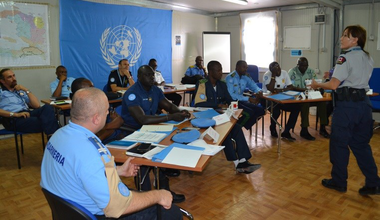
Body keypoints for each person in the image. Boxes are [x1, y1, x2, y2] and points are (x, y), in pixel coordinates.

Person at [40, 87, 182, 219]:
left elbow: (81, 172)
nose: (109, 113)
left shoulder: (58, 135)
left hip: (68, 210)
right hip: (96, 214)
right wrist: (158, 194)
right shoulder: (91, 151)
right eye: (107, 110)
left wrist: (117, 171)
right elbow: (117, 207)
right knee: (171, 212)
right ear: (96, 118)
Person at [311, 25, 380, 195]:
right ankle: (373, 182)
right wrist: (334, 74)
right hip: (364, 105)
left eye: (345, 36)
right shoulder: (367, 57)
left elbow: (334, 85)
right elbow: (354, 76)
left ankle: (339, 181)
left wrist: (318, 84)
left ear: (355, 39)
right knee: (361, 145)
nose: (341, 39)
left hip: (347, 107)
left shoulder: (344, 57)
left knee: (339, 144)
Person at [121, 65, 191, 203]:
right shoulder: (132, 93)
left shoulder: (155, 90)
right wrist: (170, 117)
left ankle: (165, 191)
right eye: (148, 75)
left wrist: (179, 112)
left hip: (151, 129)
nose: (152, 78)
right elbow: (142, 119)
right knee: (144, 157)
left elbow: (168, 106)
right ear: (139, 77)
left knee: (165, 147)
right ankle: (145, 197)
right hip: (133, 131)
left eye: (152, 75)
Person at [194, 60, 261, 173]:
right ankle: (236, 163)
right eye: (218, 70)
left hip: (220, 117)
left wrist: (233, 109)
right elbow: (199, 103)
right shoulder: (202, 83)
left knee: (236, 128)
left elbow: (230, 100)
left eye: (221, 70)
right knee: (226, 133)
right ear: (210, 72)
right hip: (206, 118)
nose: (221, 73)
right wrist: (217, 105)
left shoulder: (222, 85)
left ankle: (243, 161)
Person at [0, 68, 59, 136]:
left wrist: (26, 90)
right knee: (45, 120)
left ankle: (52, 137)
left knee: (47, 107)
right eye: (9, 77)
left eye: (14, 75)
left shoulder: (20, 91)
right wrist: (15, 114)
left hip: (26, 114)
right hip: (13, 119)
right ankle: (54, 138)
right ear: (2, 81)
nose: (13, 79)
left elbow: (36, 105)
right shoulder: (1, 93)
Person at [70, 78, 127, 144]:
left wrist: (104, 127)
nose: (94, 90)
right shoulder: (79, 113)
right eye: (91, 88)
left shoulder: (99, 103)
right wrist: (107, 127)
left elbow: (119, 121)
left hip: (108, 137)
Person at [288, 57, 330, 140]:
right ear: (298, 65)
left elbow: (316, 83)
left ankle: (322, 128)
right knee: (305, 104)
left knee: (322, 103)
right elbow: (290, 87)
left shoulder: (310, 71)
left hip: (310, 96)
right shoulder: (292, 72)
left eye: (306, 66)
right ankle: (304, 130)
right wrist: (304, 90)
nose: (304, 68)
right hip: (298, 97)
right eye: (302, 66)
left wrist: (318, 87)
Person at [262, 62, 301, 141]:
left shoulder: (284, 73)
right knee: (276, 111)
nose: (278, 72)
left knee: (297, 107)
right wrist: (273, 75)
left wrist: (281, 90)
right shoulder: (267, 75)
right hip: (268, 99)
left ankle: (286, 131)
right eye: (275, 71)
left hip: (281, 98)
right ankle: (272, 127)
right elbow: (271, 89)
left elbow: (290, 87)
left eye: (278, 69)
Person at [225, 60, 265, 131]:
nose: (246, 69)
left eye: (246, 68)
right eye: (244, 67)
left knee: (261, 110)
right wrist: (248, 99)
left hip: (241, 100)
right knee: (249, 113)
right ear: (237, 67)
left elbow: (254, 86)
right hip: (232, 102)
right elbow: (232, 95)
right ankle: (235, 130)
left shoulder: (245, 76)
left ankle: (240, 127)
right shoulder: (230, 78)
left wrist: (259, 92)